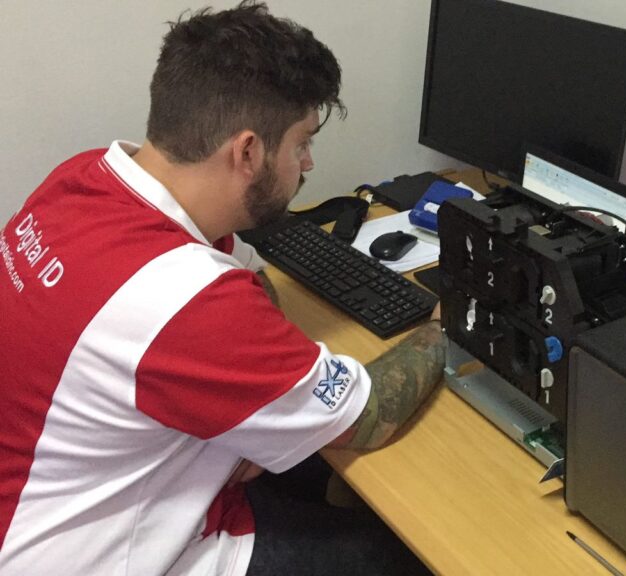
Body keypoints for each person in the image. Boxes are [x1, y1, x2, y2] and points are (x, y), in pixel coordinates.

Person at [0, 2, 444, 574]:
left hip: (47, 487)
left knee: (313, 473)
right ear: (248, 151)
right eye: (302, 142)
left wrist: (252, 392)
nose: (308, 162)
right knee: (402, 553)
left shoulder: (86, 178)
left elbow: (247, 276)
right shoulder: (184, 301)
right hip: (94, 552)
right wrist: (446, 326)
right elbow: (369, 413)